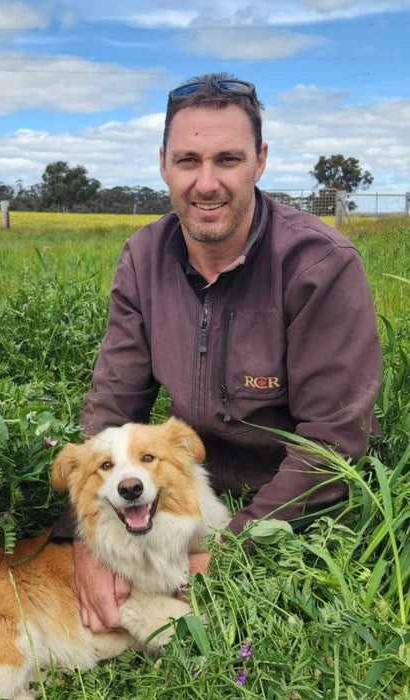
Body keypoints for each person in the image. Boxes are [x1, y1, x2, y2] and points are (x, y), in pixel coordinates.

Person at [52, 73, 382, 633]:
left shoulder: (319, 263)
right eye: (188, 161)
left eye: (228, 159)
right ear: (163, 165)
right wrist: (81, 539)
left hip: (289, 502)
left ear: (260, 161)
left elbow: (334, 441)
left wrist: (230, 548)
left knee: (254, 630)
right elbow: (113, 402)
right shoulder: (144, 255)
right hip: (180, 492)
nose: (207, 184)